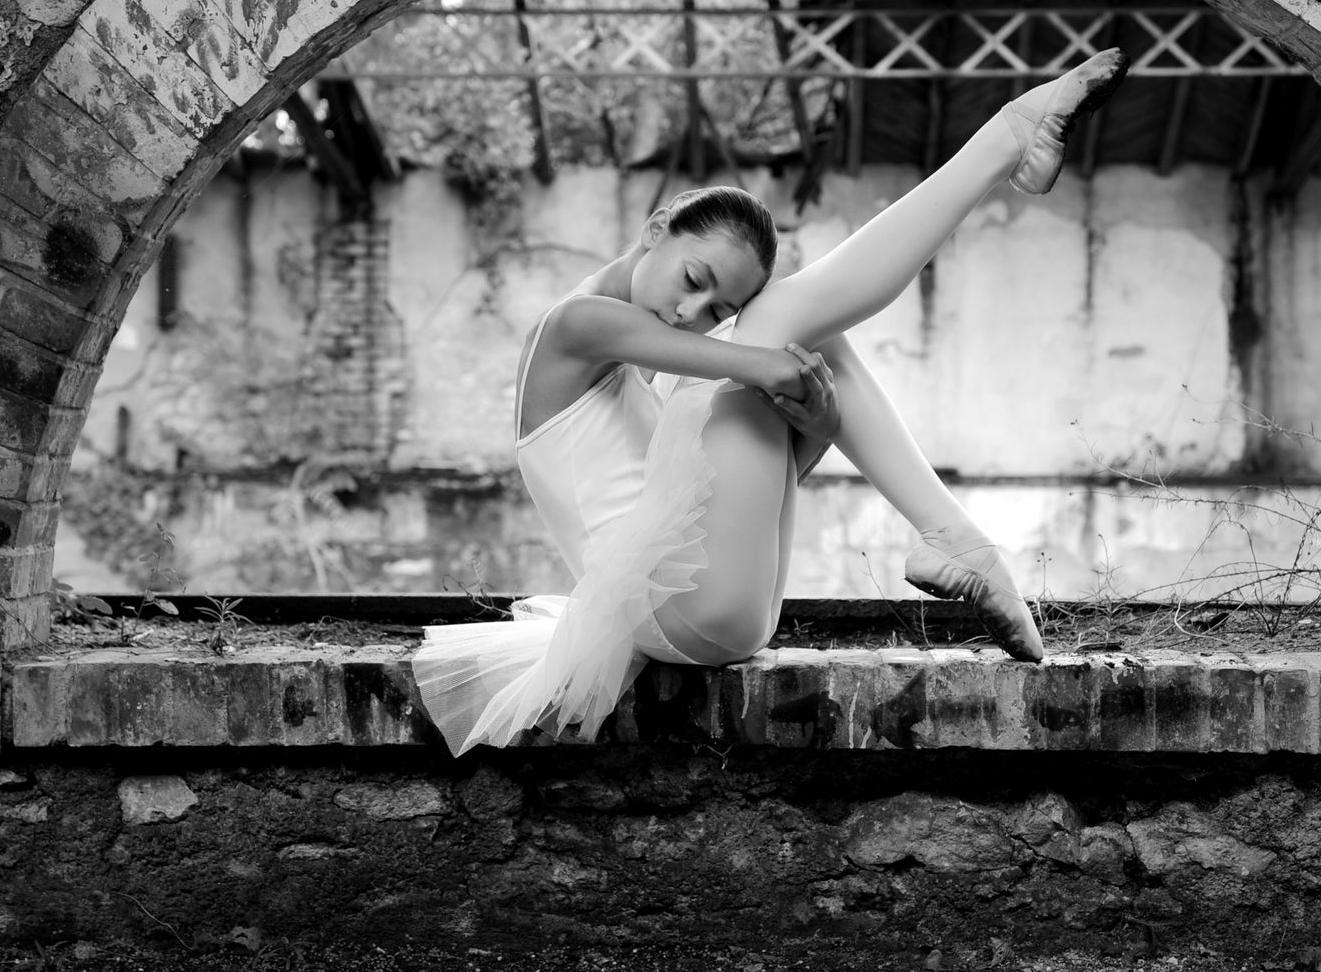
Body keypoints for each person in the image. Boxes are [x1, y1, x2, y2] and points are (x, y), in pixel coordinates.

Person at [411, 46, 1129, 751]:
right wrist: (783, 367)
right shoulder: (577, 325)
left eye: (716, 303)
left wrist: (814, 430)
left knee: (811, 339)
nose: (693, 312)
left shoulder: (647, 370)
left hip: (714, 611)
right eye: (694, 280)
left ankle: (956, 541)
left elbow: (730, 506)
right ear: (654, 228)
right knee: (789, 325)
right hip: (683, 614)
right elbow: (764, 366)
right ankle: (1007, 135)